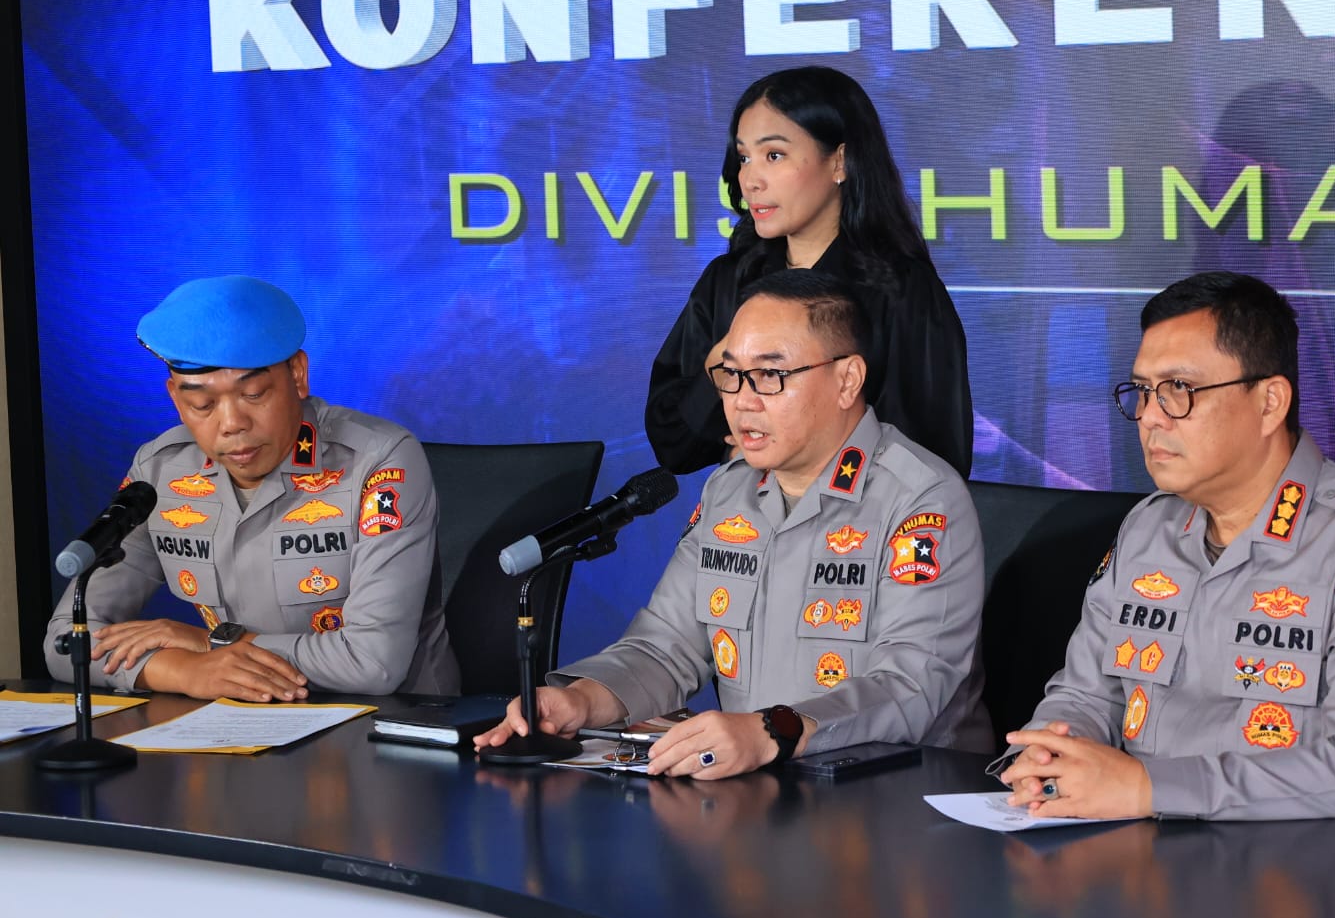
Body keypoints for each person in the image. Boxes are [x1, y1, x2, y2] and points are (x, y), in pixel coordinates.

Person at [998, 271, 1335, 839]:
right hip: (1175, 849)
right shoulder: (1148, 529)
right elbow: (1088, 693)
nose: (1151, 416)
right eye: (1143, 391)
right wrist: (1051, 754)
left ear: (1269, 403)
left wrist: (1147, 786)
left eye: (1178, 389)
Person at [479, 269, 990, 775]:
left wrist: (774, 731)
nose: (742, 400)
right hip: (766, 787)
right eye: (730, 374)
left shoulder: (920, 497)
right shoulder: (729, 490)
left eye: (770, 375)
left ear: (847, 380)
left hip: (902, 789)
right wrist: (584, 700)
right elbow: (667, 645)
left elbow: (911, 684)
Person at [44, 276, 459, 700]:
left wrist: (211, 644)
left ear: (297, 375)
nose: (231, 424)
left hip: (392, 719)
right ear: (176, 398)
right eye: (202, 404)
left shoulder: (377, 460)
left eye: (254, 394)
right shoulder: (160, 471)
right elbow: (65, 643)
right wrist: (185, 671)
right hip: (237, 724)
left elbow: (373, 662)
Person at [646, 65, 974, 478]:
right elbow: (673, 444)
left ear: (839, 161)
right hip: (746, 517)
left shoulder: (901, 291)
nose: (750, 180)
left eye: (774, 155)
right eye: (744, 158)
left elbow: (933, 462)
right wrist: (723, 364)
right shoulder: (726, 281)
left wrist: (790, 457)